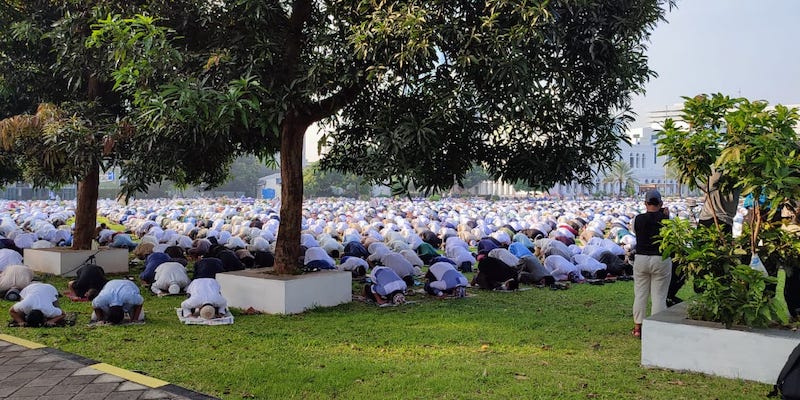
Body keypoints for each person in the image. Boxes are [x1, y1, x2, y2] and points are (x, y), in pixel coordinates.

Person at [630, 189, 672, 338]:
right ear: (660, 203)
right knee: (659, 296)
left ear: (645, 203)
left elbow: (637, 233)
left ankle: (637, 328)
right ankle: (656, 328)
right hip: (660, 258)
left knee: (640, 294)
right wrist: (665, 216)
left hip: (641, 258)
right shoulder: (667, 220)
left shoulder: (637, 219)